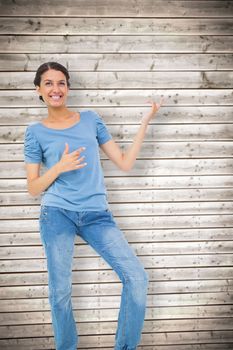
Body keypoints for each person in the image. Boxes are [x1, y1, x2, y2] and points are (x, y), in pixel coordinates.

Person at [23, 61, 163, 350]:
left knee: (137, 278)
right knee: (60, 292)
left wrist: (145, 123)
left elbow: (124, 163)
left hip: (96, 214)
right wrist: (58, 167)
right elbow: (33, 187)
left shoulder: (90, 119)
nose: (56, 88)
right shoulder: (35, 132)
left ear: (68, 87)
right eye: (48, 83)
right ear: (39, 89)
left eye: (61, 82)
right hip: (57, 213)